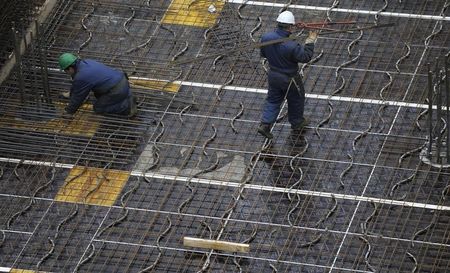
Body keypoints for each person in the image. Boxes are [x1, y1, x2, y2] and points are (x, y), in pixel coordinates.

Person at [258, 10, 318, 139]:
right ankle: (297, 123)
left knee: (273, 100)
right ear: (290, 26)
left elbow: (263, 54)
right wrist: (310, 42)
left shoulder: (266, 38)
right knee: (296, 99)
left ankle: (265, 124)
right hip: (290, 78)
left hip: (273, 75)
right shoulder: (292, 45)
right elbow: (305, 57)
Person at [58, 53, 137, 118]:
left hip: (117, 89)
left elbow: (78, 97)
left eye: (65, 71)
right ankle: (126, 96)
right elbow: (77, 86)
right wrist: (70, 94)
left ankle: (127, 107)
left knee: (99, 108)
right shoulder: (86, 62)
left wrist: (68, 112)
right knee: (97, 94)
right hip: (121, 80)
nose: (66, 73)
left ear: (70, 68)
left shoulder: (81, 76)